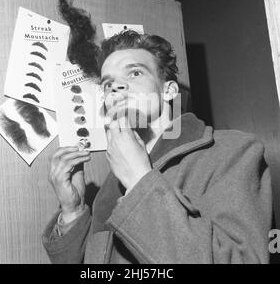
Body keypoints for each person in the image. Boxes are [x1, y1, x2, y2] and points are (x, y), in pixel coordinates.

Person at [42, 30, 272, 263]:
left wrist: (139, 181)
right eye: (108, 83)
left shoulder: (232, 152)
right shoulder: (109, 187)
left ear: (168, 90)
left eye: (135, 73)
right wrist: (72, 210)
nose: (116, 86)